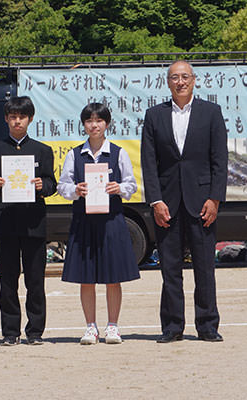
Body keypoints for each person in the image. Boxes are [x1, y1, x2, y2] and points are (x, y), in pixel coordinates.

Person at [141, 60, 228, 343]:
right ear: (167, 82)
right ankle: (172, 326)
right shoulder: (154, 115)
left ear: (194, 80)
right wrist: (155, 201)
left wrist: (215, 198)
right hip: (167, 204)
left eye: (185, 77)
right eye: (174, 77)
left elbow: (219, 161)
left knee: (205, 268)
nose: (180, 82)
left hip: (202, 202)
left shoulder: (211, 113)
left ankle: (207, 325)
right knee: (170, 269)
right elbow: (149, 163)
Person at [57, 103, 140, 345]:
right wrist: (76, 190)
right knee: (86, 277)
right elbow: (63, 186)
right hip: (84, 221)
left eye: (99, 121)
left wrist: (119, 188)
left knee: (113, 276)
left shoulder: (118, 152)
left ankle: (113, 326)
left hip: (112, 220)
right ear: (83, 124)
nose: (94, 125)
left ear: (107, 124)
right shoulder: (74, 154)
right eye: (89, 121)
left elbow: (131, 185)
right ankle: (90, 327)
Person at [0, 96, 56, 346]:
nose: (17, 121)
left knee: (35, 281)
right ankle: (10, 331)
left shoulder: (42, 151)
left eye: (21, 117)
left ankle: (35, 331)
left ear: (30, 119)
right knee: (7, 281)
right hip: (6, 223)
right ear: (6, 119)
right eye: (13, 116)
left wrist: (41, 185)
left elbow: (51, 184)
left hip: (34, 223)